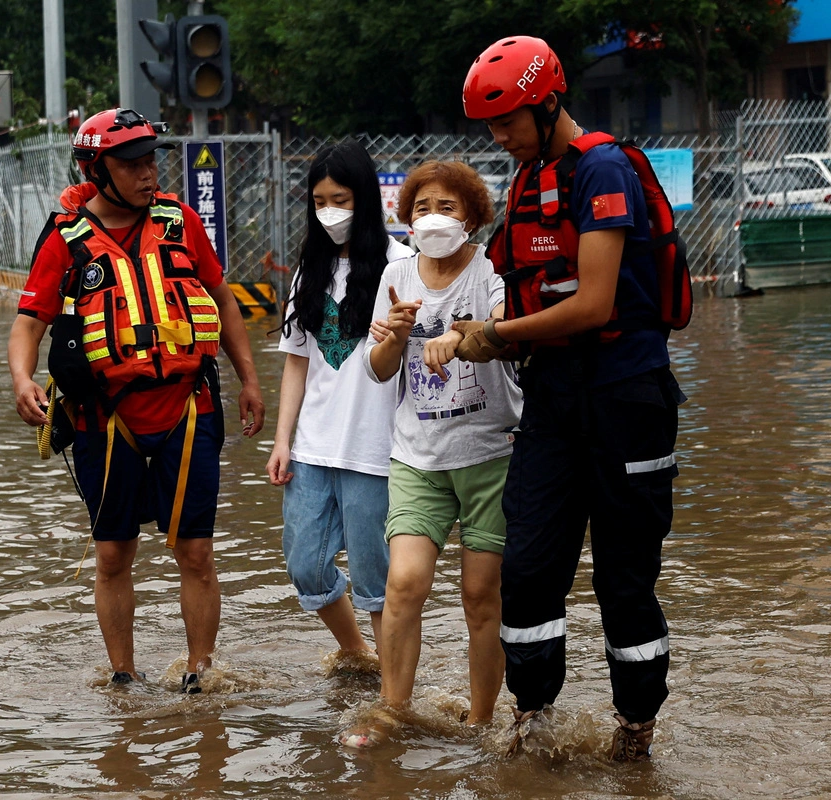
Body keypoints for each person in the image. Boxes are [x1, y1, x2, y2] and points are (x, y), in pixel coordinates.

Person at [458, 37, 685, 761]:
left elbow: (592, 303)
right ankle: (533, 719)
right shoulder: (529, 179)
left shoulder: (603, 169)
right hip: (553, 398)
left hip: (626, 396)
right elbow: (511, 287)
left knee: (624, 579)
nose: (499, 138)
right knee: (526, 568)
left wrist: (494, 335)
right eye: (490, 126)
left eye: (507, 121)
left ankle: (636, 732)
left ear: (546, 100)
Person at [7, 108, 265, 693]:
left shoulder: (180, 221)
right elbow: (28, 323)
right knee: (113, 555)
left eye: (152, 160)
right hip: (106, 418)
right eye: (133, 164)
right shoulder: (65, 241)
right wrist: (22, 378)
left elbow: (222, 302)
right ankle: (122, 676)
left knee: (196, 552)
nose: (149, 173)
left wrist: (249, 378)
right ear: (98, 171)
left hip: (188, 407)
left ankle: (201, 674)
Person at [342, 160, 523, 748]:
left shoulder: (491, 272)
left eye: (447, 207)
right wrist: (394, 337)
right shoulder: (397, 274)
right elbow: (377, 369)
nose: (433, 218)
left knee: (479, 595)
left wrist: (460, 334)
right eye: (421, 209)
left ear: (471, 215)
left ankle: (482, 721)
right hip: (417, 455)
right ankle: (392, 710)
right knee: (405, 583)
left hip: (490, 453)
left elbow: (503, 323)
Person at [265, 140, 412, 661]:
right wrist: (281, 441)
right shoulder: (311, 269)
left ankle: (394, 690)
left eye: (342, 199)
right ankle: (358, 654)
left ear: (367, 199)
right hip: (312, 448)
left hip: (377, 451)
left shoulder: (403, 266)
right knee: (306, 564)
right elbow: (297, 364)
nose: (330, 211)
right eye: (320, 199)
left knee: (378, 580)